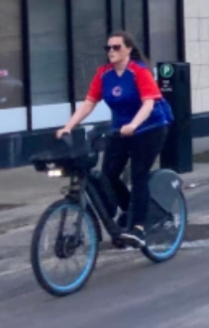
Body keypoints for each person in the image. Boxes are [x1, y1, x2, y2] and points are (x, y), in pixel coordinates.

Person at [57, 31, 173, 248]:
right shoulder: (104, 74)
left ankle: (138, 227)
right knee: (107, 176)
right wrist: (68, 126)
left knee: (138, 176)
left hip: (150, 128)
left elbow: (148, 104)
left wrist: (134, 125)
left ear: (128, 49)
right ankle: (131, 210)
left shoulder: (139, 72)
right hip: (120, 131)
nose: (111, 51)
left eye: (116, 47)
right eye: (108, 48)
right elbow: (89, 103)